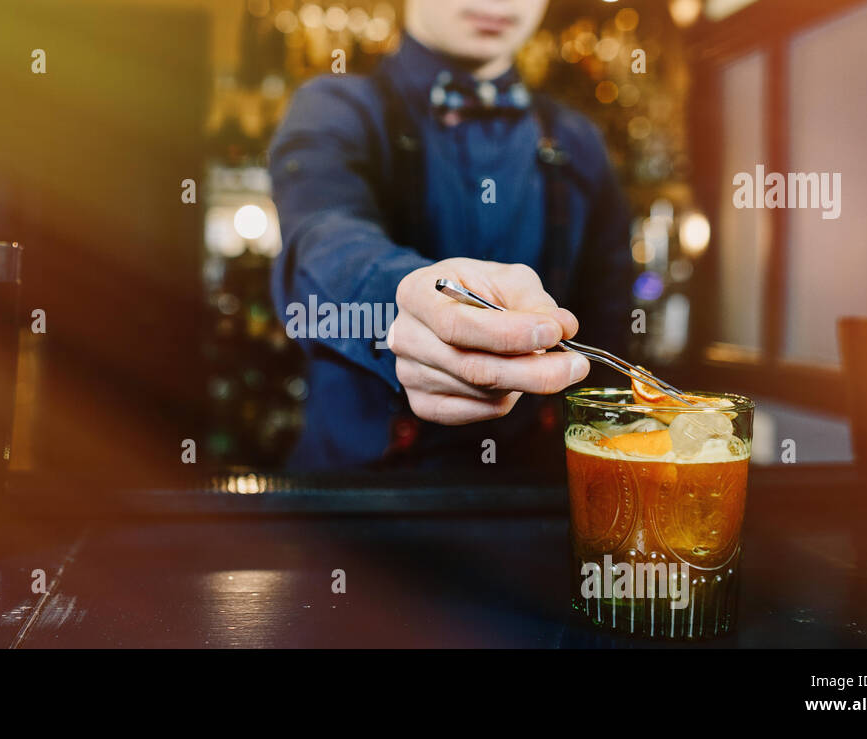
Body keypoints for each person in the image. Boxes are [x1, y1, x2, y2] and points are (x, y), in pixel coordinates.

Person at [270, 0, 632, 470]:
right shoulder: (334, 109)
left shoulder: (579, 139)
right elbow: (320, 242)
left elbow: (610, 322)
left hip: (530, 495)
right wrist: (404, 301)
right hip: (354, 497)